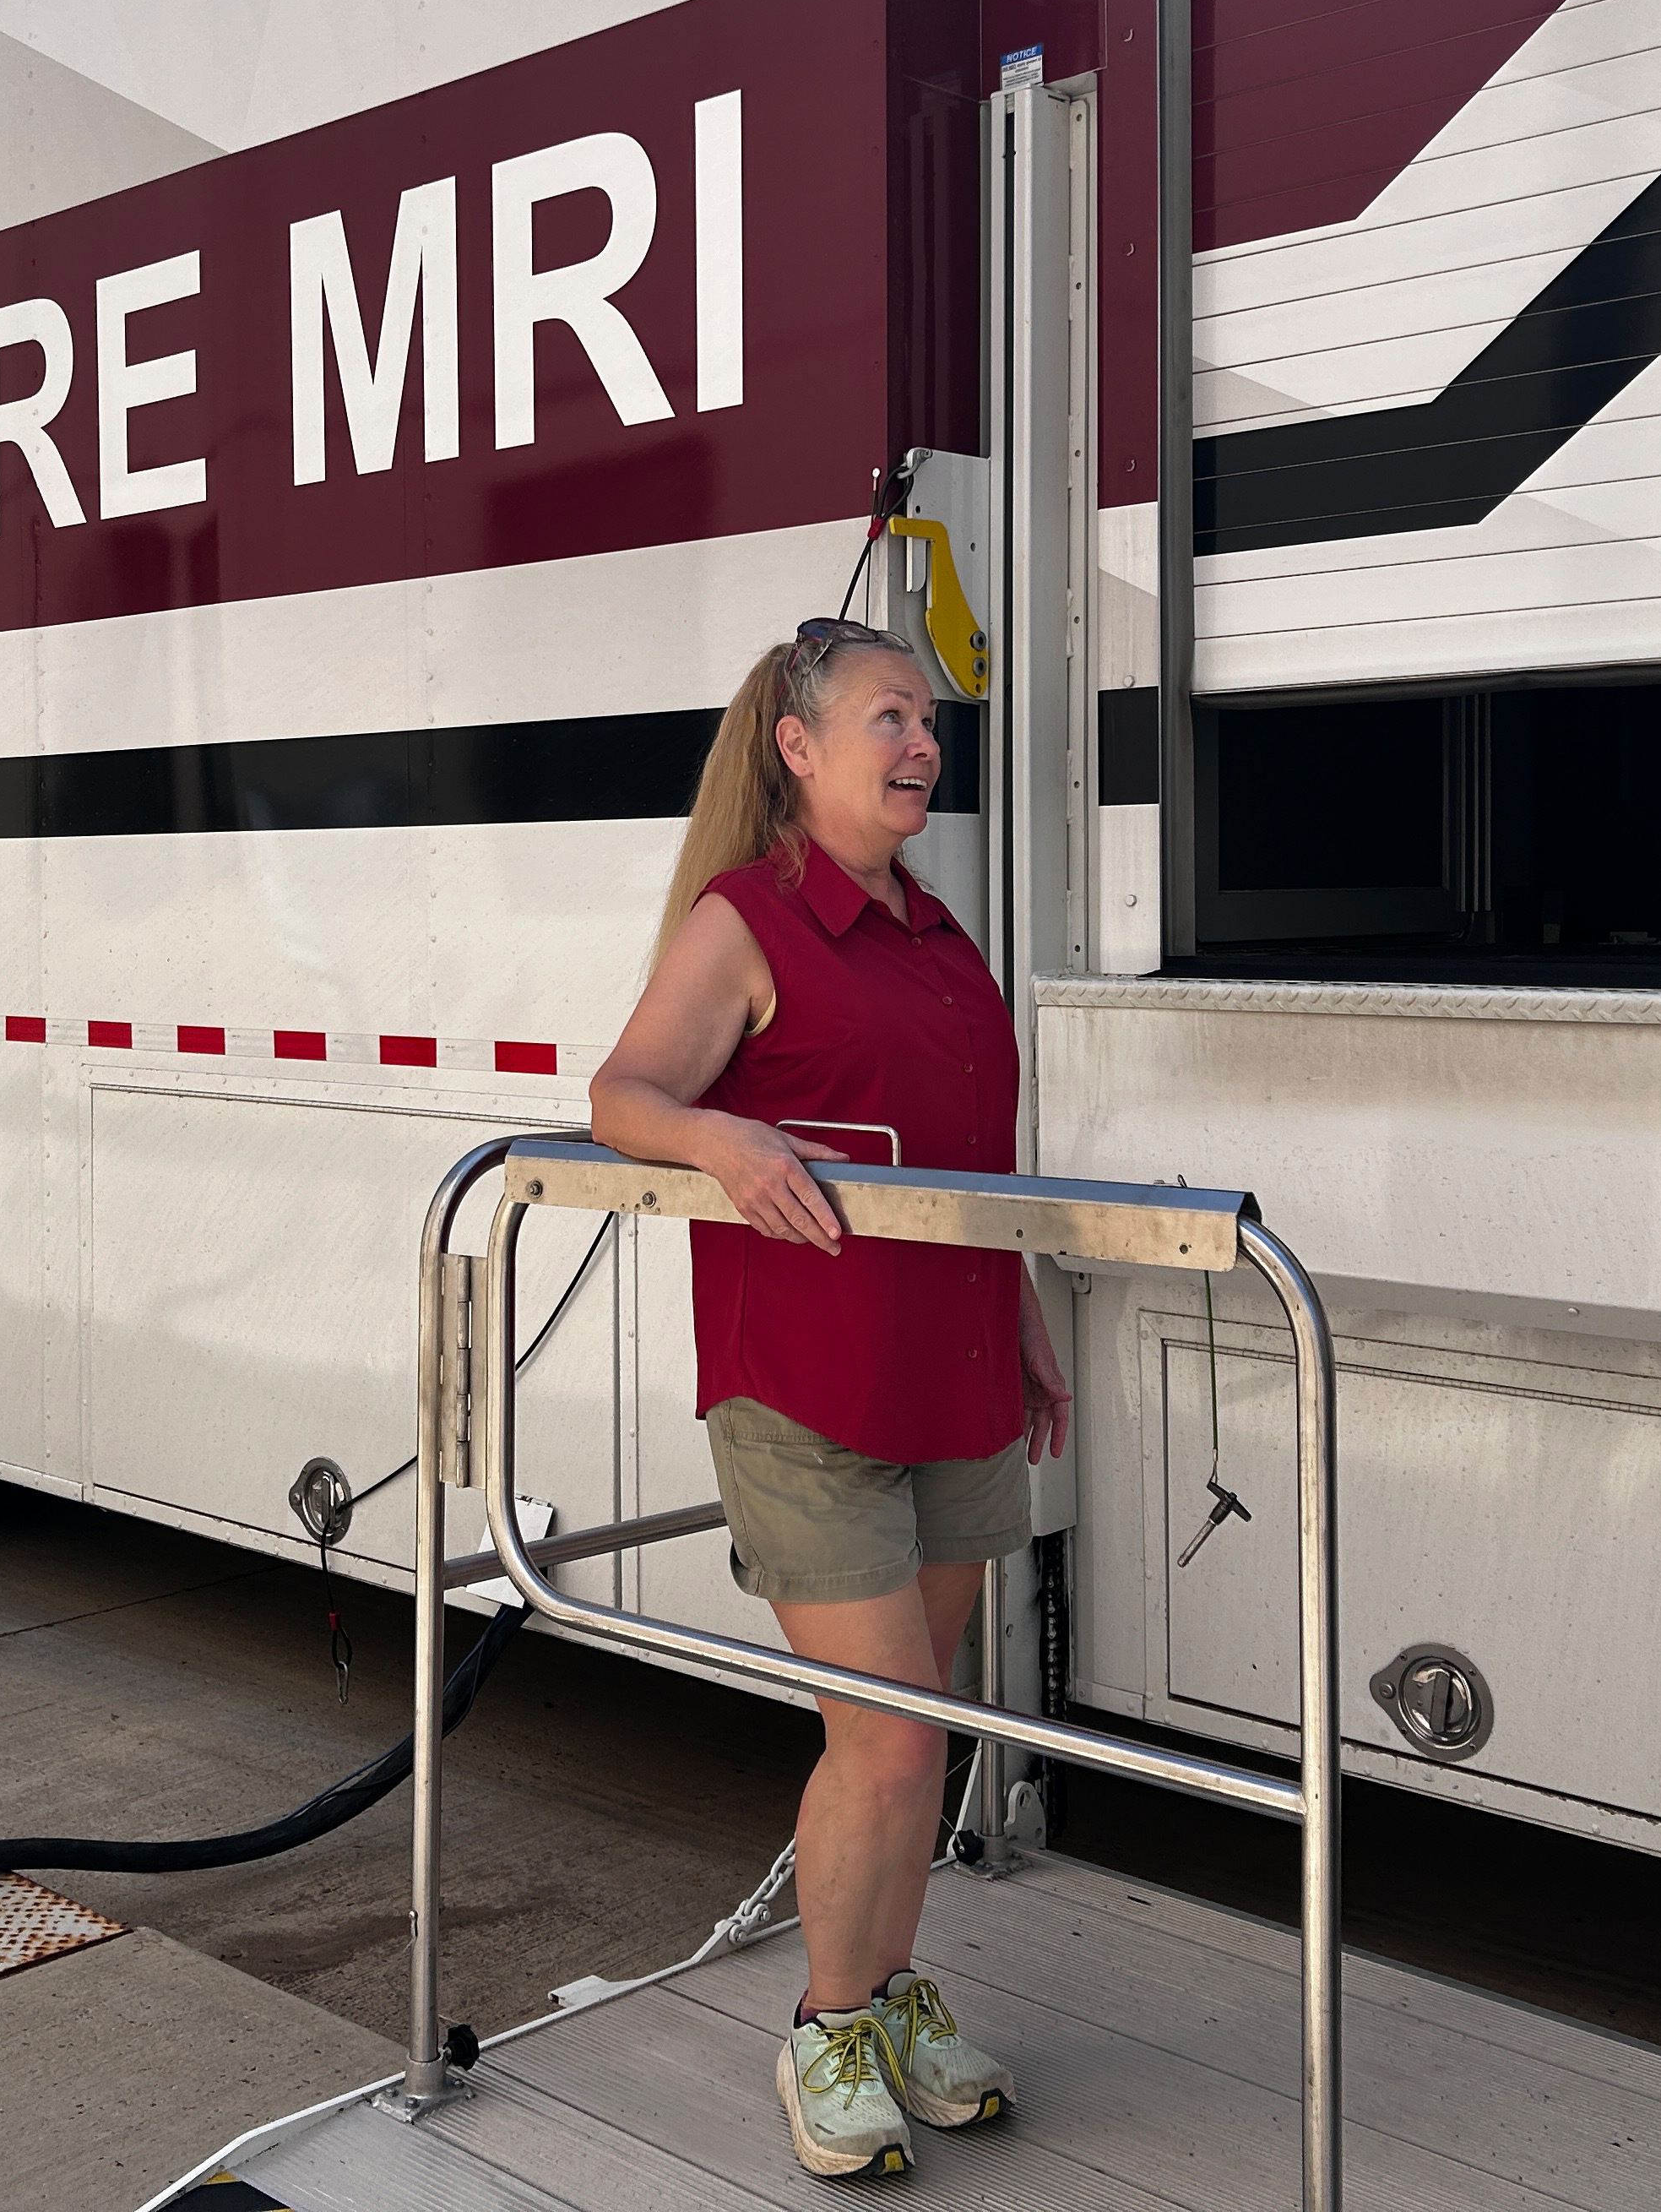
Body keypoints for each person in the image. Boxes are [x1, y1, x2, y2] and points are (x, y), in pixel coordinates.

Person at [590, 617, 1072, 2179]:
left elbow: (971, 1171)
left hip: (955, 1377)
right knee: (882, 1740)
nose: (921, 741)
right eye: (888, 714)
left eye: (928, 719)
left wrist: (1026, 1331)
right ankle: (825, 2026)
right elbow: (626, 1093)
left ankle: (890, 1996)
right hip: (807, 1390)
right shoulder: (750, 922)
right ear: (798, 748)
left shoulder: (937, 936)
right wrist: (726, 1143)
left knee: (921, 1732)